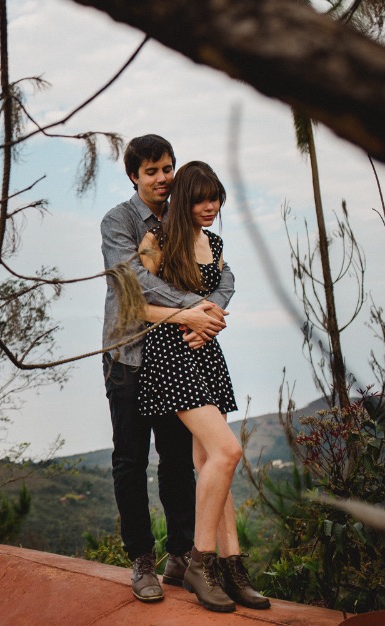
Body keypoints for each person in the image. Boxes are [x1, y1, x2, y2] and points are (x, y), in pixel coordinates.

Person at [100, 135, 232, 604]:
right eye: (152, 171)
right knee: (130, 460)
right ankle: (141, 559)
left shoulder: (182, 218)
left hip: (173, 358)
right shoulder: (119, 221)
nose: (162, 178)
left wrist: (211, 309)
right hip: (127, 357)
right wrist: (193, 308)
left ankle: (181, 554)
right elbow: (134, 284)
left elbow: (219, 270)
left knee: (177, 461)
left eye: (167, 168)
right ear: (133, 175)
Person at [134, 161, 269, 612]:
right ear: (184, 200)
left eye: (216, 199)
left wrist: (209, 322)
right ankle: (200, 561)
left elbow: (220, 296)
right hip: (169, 354)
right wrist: (188, 317)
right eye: (201, 199)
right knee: (227, 451)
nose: (210, 207)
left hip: (206, 353)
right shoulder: (157, 240)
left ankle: (232, 566)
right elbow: (135, 303)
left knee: (212, 460)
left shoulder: (214, 244)